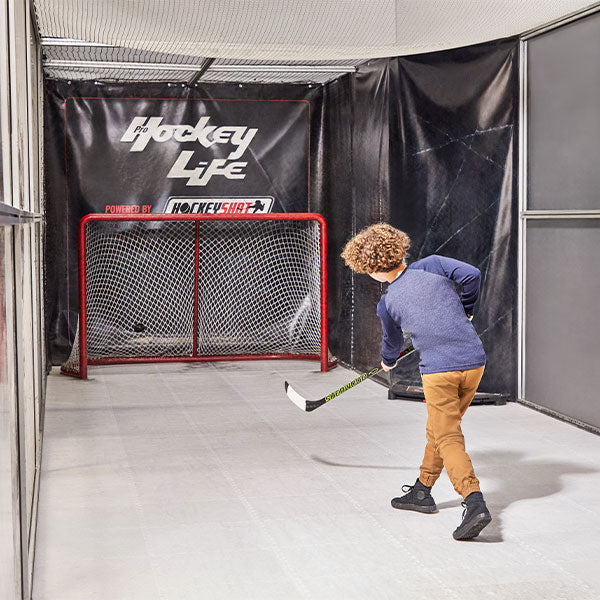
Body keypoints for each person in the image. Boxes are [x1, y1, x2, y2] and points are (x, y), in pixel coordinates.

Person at [341, 223, 492, 540]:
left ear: (372, 270)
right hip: (474, 361)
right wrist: (465, 310)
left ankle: (473, 501)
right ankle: (422, 490)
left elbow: (392, 344)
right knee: (440, 427)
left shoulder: (387, 303)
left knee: (447, 435)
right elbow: (472, 276)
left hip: (439, 371)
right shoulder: (433, 265)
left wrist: (388, 360)